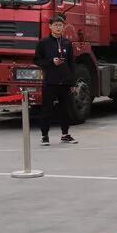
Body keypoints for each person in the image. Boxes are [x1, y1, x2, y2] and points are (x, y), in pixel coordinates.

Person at [34, 14, 78, 145]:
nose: (58, 28)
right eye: (56, 25)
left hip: (65, 81)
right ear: (50, 26)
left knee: (65, 109)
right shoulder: (43, 43)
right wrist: (51, 61)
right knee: (46, 109)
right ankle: (44, 136)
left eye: (60, 25)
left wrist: (72, 82)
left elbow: (71, 63)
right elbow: (37, 60)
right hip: (50, 81)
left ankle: (65, 134)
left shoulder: (67, 43)